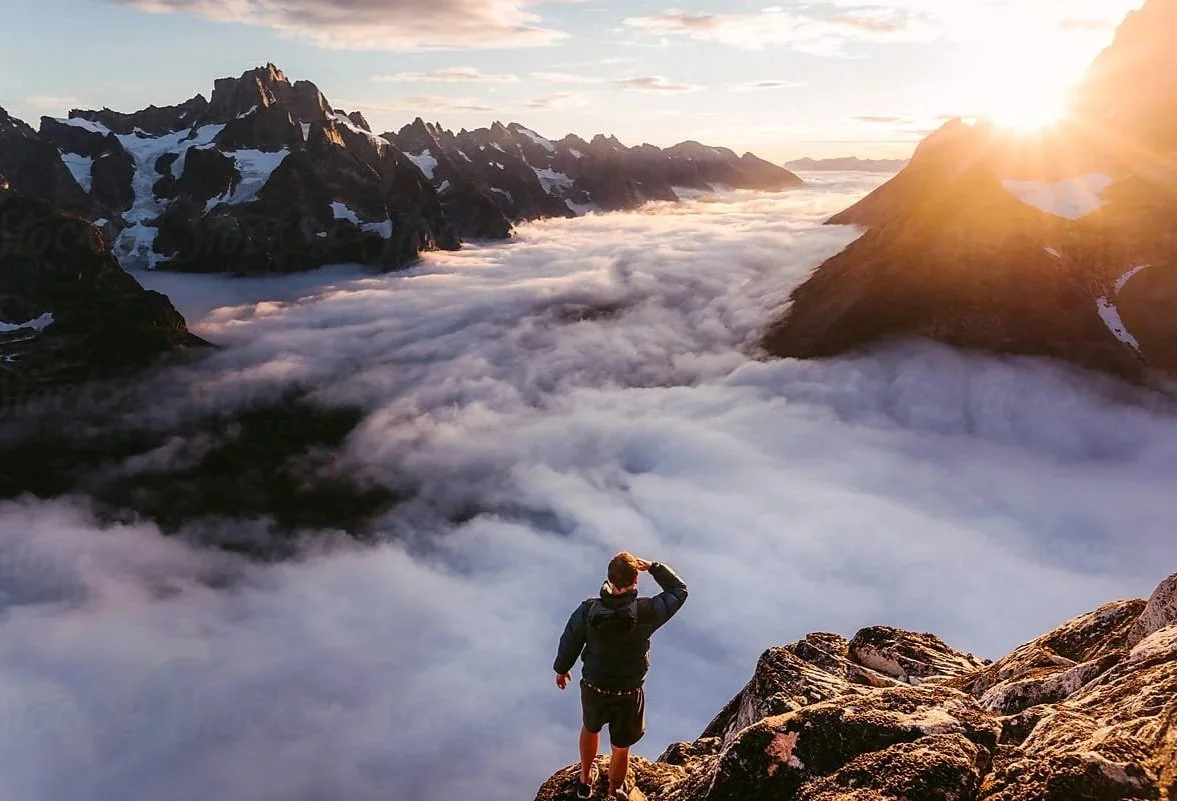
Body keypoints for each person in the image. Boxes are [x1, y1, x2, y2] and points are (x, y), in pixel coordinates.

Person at [554, 552, 689, 800]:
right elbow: (679, 591)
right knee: (621, 746)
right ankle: (615, 790)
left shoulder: (588, 610)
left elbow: (570, 640)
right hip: (629, 690)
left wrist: (561, 669)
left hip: (595, 685)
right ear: (635, 580)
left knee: (590, 728)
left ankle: (585, 782)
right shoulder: (647, 611)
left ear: (609, 578)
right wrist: (655, 567)